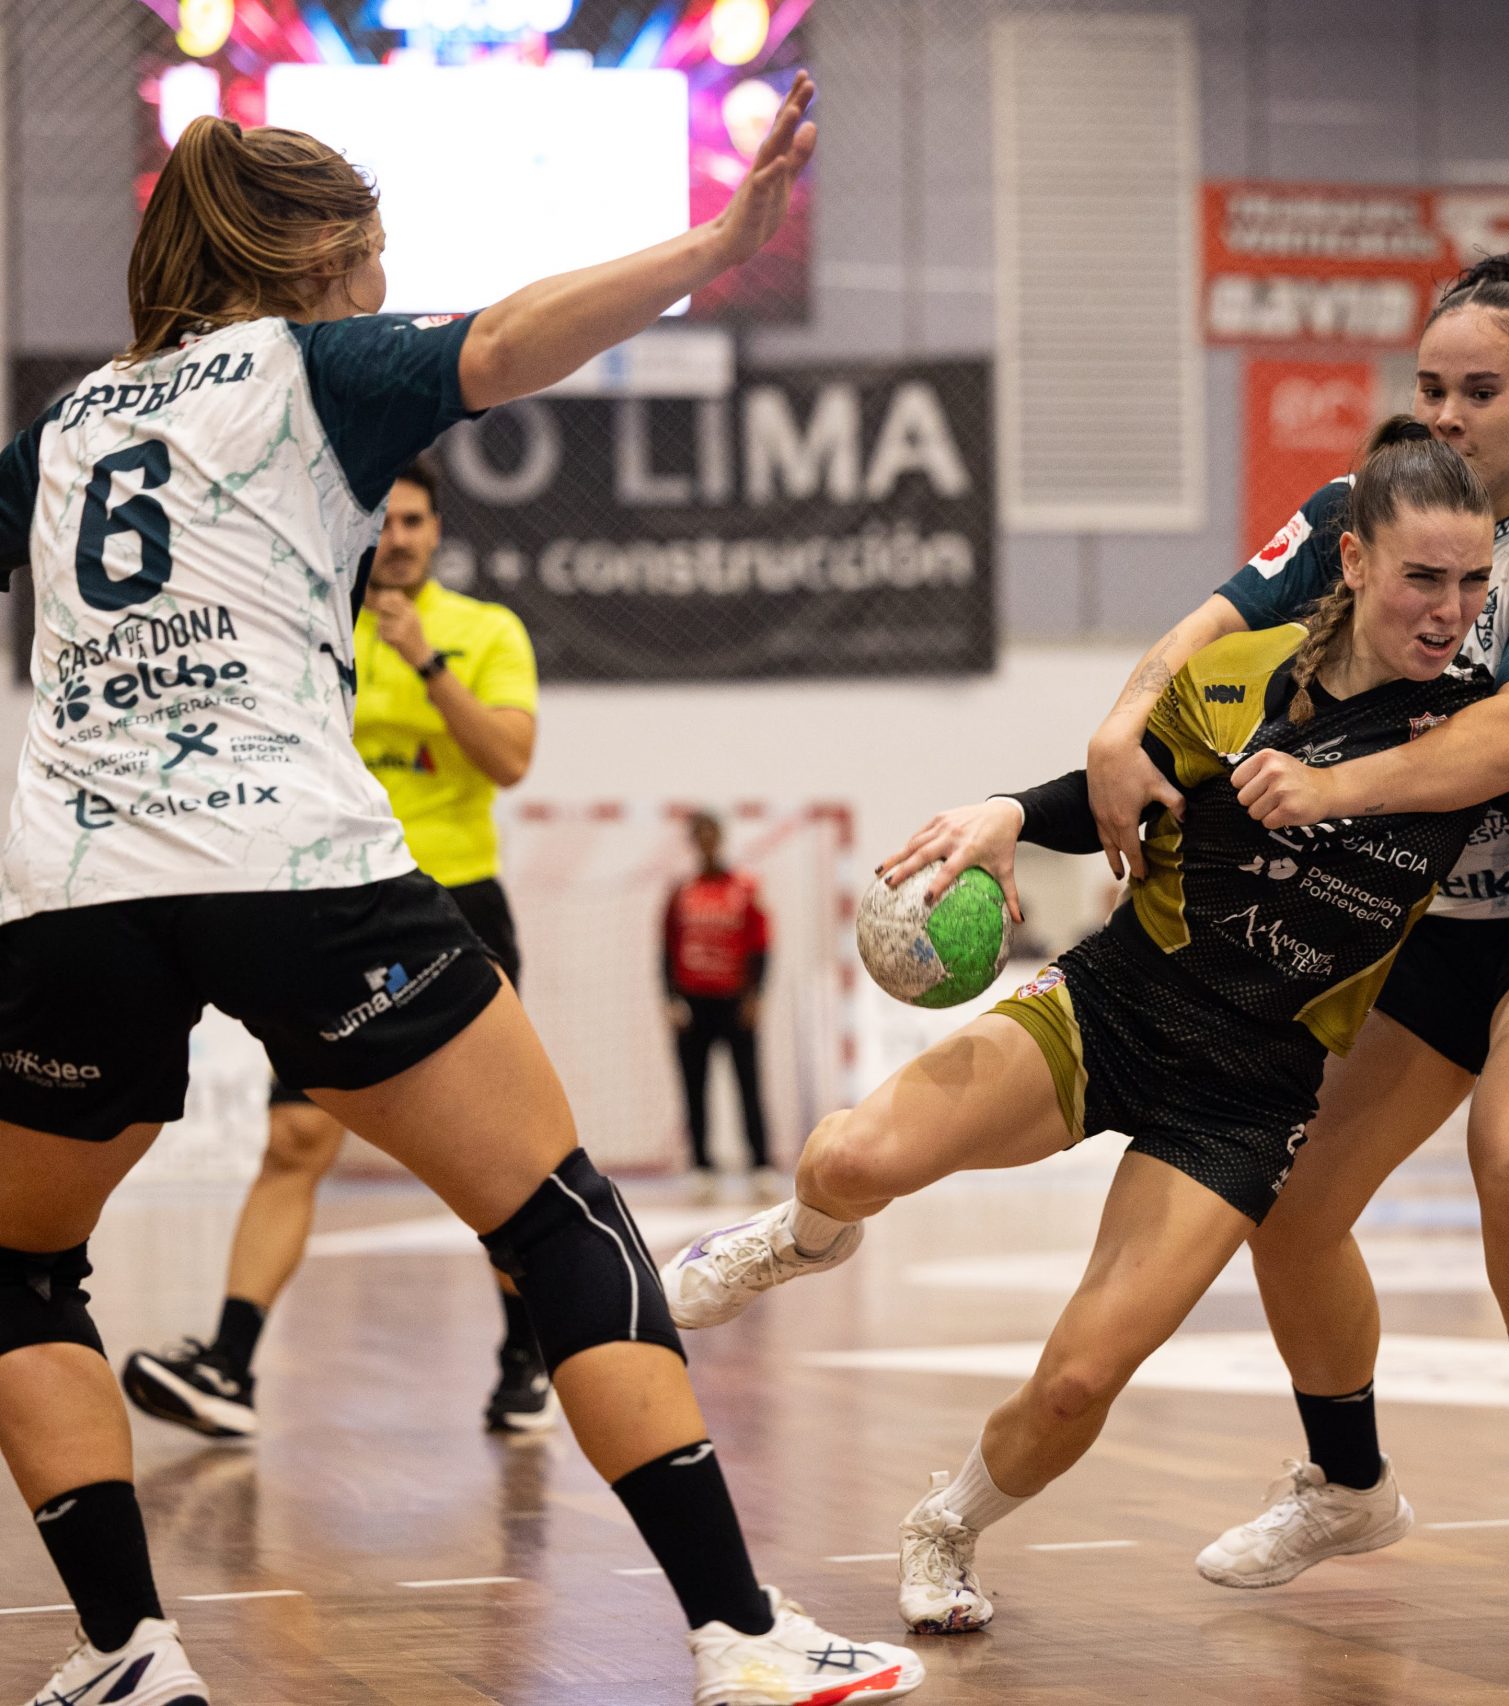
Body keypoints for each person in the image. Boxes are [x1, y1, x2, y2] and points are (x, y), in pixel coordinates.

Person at [0, 85, 921, 1702]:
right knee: (559, 1214)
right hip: (292, 867)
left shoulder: (64, 429)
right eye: (377, 259)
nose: (385, 287)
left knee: (16, 1267)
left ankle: (130, 1653)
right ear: (329, 263)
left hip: (71, 895)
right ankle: (740, 1633)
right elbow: (511, 339)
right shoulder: (312, 366)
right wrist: (714, 245)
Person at [659, 420, 1509, 1638]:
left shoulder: (1476, 742)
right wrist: (1007, 811)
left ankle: (945, 1523)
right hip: (1114, 1006)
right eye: (1423, 577)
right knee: (850, 1158)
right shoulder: (1240, 677)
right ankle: (800, 1236)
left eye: (1474, 581)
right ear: (1355, 560)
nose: (1451, 610)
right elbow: (1112, 792)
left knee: (1077, 1380)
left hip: (1244, 1099)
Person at [1056, 253, 1509, 1618]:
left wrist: (1333, 787)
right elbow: (1207, 630)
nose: (1449, 413)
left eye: (1482, 389)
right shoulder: (1360, 511)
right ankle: (1346, 1485)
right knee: (1289, 1206)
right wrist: (1120, 724)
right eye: (1430, 386)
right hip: (1434, 918)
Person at [121, 457, 560, 1441]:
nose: (396, 538)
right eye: (382, 521)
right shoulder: (308, 630)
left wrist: (425, 662)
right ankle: (228, 1366)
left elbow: (509, 759)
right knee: (295, 1140)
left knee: (498, 1149)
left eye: (413, 522)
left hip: (456, 902)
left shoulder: (486, 631)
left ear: (436, 531)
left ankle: (523, 1360)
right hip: (329, 907)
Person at [666, 810, 777, 1196]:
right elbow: (667, 948)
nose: (706, 842)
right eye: (699, 835)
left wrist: (755, 994)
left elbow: (761, 944)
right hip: (693, 1003)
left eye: (711, 834)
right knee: (694, 1087)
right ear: (693, 841)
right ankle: (701, 1165)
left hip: (735, 1002)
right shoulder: (681, 892)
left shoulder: (744, 887)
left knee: (748, 1083)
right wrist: (670, 998)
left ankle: (760, 1163)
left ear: (720, 837)